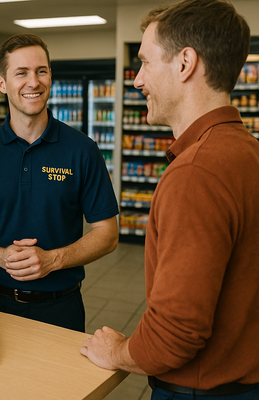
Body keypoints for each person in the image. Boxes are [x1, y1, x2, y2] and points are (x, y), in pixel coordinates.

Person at [80, 1, 259, 398]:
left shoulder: (195, 174)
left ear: (184, 64)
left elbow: (176, 333)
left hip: (203, 389)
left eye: (145, 62)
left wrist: (120, 351)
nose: (137, 80)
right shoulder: (249, 153)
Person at [0, 33, 119, 332]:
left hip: (60, 309)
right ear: (2, 84)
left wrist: (52, 260)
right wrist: (2, 256)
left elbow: (107, 234)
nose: (33, 82)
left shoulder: (82, 150)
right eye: (21, 73)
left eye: (41, 71)